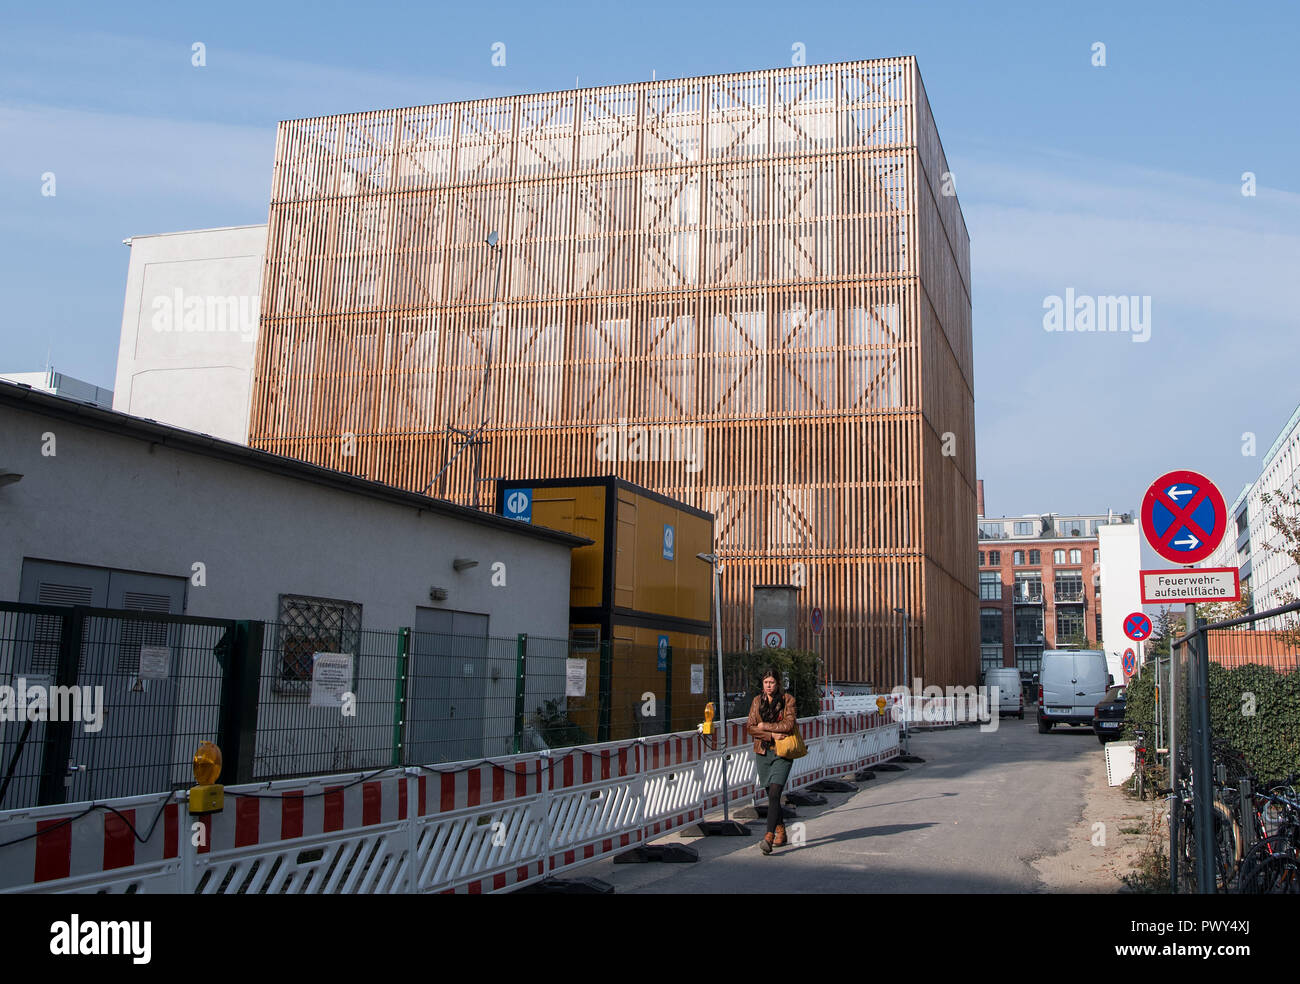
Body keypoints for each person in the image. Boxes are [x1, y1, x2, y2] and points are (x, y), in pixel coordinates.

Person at [746, 667, 796, 855]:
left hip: (783, 752)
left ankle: (769, 835)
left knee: (775, 792)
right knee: (771, 795)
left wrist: (766, 727)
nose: (769, 686)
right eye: (766, 682)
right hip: (763, 752)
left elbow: (789, 724)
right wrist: (771, 735)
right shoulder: (757, 702)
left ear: (777, 683)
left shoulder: (787, 700)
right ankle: (781, 829)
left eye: (772, 682)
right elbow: (750, 727)